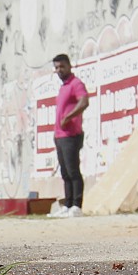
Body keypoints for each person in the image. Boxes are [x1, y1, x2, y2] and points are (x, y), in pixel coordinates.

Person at [49, 53, 90, 216]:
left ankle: (77, 205)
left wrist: (69, 116)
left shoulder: (76, 84)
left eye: (62, 67)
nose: (59, 70)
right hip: (59, 135)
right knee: (65, 172)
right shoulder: (63, 86)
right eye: (57, 68)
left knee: (73, 171)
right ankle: (67, 204)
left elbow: (84, 101)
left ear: (69, 66)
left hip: (71, 134)